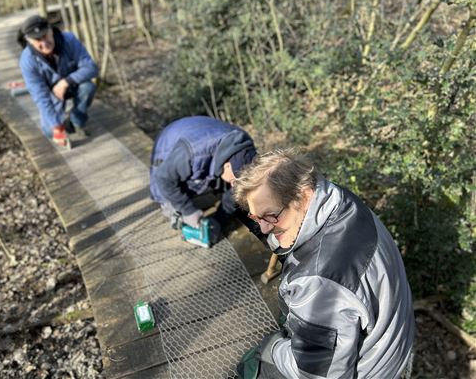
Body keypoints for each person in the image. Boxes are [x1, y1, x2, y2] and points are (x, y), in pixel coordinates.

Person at [234, 148, 415, 379]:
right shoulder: (339, 200)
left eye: (270, 215)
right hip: (393, 346)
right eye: (256, 218)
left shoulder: (319, 282)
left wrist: (272, 347)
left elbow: (319, 374)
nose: (265, 227)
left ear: (305, 194)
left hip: (372, 370)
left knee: (251, 366)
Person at [149, 116, 258, 238]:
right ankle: (177, 211)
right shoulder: (193, 153)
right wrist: (187, 210)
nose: (234, 185)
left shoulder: (244, 146)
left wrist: (219, 219)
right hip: (167, 149)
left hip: (199, 137)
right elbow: (163, 178)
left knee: (224, 189)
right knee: (172, 205)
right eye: (233, 181)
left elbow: (236, 189)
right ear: (227, 165)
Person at [17, 15, 98, 147]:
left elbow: (91, 68)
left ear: (51, 30)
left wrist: (66, 81)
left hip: (73, 84)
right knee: (49, 132)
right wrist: (57, 127)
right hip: (51, 94)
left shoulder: (69, 40)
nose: (44, 42)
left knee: (88, 87)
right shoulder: (27, 61)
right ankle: (61, 124)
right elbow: (40, 97)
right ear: (29, 41)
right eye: (38, 40)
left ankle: (76, 121)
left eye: (45, 36)